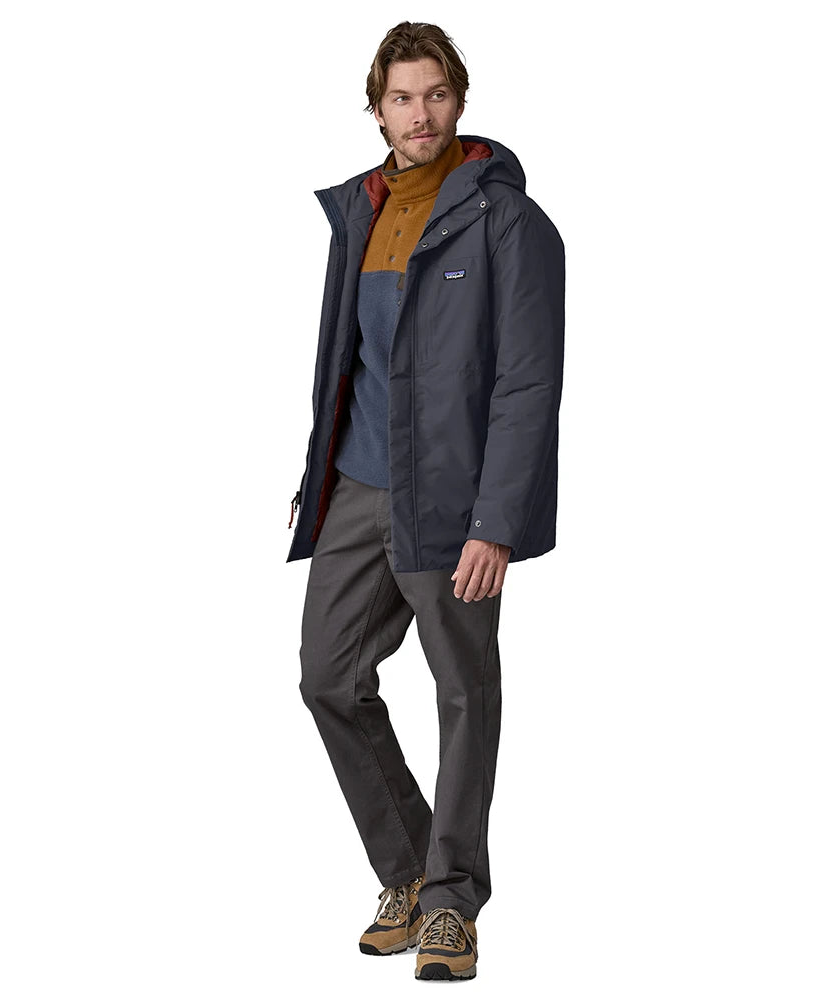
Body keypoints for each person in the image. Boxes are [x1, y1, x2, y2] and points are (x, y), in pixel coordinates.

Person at [286, 21, 565, 982]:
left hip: (453, 502)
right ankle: (408, 870)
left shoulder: (508, 223)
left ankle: (452, 905)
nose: (421, 114)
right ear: (376, 109)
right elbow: (348, 361)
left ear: (460, 100)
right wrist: (319, 480)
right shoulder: (359, 212)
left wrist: (496, 523)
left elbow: (527, 384)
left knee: (462, 694)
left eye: (436, 94)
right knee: (328, 677)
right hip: (358, 490)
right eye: (402, 98)